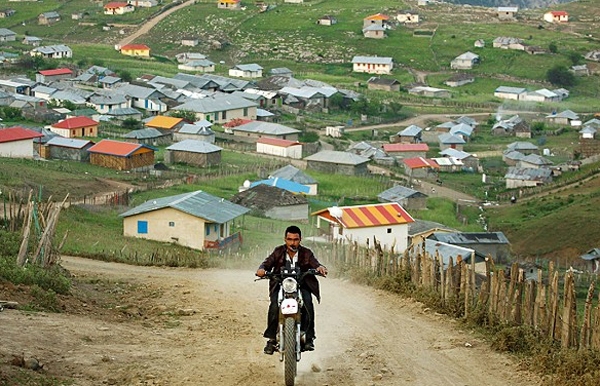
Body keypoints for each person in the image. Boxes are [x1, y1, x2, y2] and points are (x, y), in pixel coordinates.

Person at [256, 225, 327, 355]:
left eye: (295, 239)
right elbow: (267, 263)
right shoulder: (278, 251)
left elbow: (315, 263)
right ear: (285, 239)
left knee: (308, 304)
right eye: (289, 239)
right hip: (280, 283)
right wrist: (262, 269)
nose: (292, 242)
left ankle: (309, 338)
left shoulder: (306, 253)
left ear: (300, 239)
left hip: (302, 283)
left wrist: (319, 267)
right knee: (274, 306)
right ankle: (272, 339)